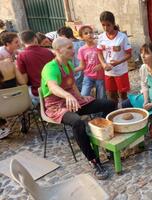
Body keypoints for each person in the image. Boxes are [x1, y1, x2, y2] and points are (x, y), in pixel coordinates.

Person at [40, 37, 117, 179]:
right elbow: (53, 87)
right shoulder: (50, 68)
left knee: (109, 104)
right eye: (69, 48)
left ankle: (106, 141)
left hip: (74, 101)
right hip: (56, 105)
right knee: (77, 122)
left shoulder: (68, 64)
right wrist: (67, 96)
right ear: (58, 50)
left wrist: (80, 97)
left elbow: (71, 84)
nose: (73, 50)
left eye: (72, 47)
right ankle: (94, 161)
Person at [98, 11, 132, 103]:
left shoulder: (122, 37)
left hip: (121, 71)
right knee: (111, 95)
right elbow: (99, 52)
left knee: (123, 95)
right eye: (103, 25)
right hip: (108, 72)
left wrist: (118, 62)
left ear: (113, 23)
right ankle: (114, 114)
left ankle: (125, 111)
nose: (106, 28)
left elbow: (129, 54)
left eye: (108, 25)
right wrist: (103, 64)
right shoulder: (101, 37)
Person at [16, 30, 55, 105]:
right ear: (35, 39)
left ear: (22, 42)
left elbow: (24, 81)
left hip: (37, 92)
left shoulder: (21, 56)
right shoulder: (48, 52)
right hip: (54, 88)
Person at [75, 25, 105, 99]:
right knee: (84, 95)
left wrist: (101, 65)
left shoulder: (99, 46)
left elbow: (106, 59)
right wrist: (71, 70)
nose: (89, 34)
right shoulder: (81, 50)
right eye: (86, 33)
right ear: (82, 37)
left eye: (90, 32)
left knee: (101, 97)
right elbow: (82, 66)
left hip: (100, 76)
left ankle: (102, 110)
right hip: (88, 76)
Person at [0, 60, 26, 139]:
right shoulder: (9, 64)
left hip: (2, 110)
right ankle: (22, 118)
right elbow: (23, 82)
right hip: (19, 105)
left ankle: (2, 128)